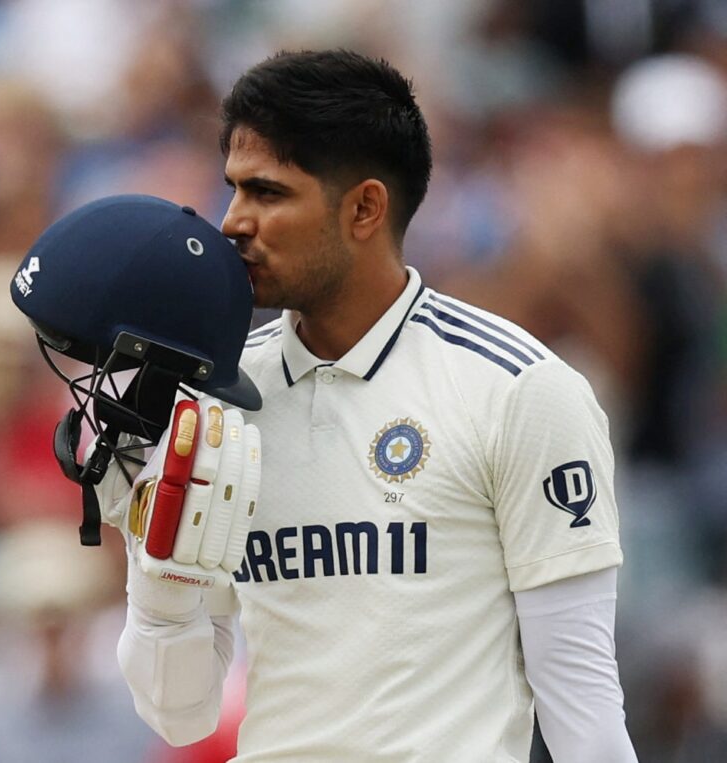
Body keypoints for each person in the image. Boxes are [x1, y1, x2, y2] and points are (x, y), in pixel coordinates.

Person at [111, 49, 638, 761]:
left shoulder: (518, 389)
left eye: (267, 193)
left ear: (364, 207)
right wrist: (155, 572)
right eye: (232, 189)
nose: (232, 221)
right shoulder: (217, 404)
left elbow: (580, 698)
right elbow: (181, 716)